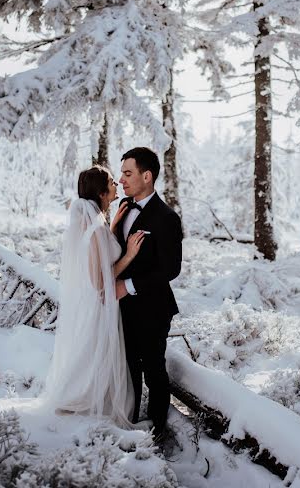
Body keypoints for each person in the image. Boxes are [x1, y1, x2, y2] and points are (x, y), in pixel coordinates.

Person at [42, 165, 147, 428]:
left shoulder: (96, 226)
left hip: (97, 306)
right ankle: (81, 403)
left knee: (94, 358)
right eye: (112, 182)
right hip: (100, 307)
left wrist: (111, 228)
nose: (117, 184)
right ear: (101, 192)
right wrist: (129, 256)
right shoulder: (95, 231)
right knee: (95, 359)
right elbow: (100, 280)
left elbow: (100, 254)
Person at [113, 147, 182, 443]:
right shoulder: (123, 207)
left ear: (147, 175)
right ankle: (129, 425)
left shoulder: (166, 217)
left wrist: (126, 286)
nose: (121, 180)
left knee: (153, 369)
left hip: (153, 308)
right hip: (121, 309)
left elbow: (170, 269)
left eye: (127, 174)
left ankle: (157, 431)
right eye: (121, 174)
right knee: (127, 367)